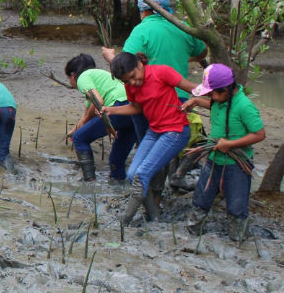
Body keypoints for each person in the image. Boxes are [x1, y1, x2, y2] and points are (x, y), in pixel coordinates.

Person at [104, 52, 197, 225]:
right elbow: (136, 108)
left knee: (142, 174)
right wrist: (112, 110)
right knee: (132, 174)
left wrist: (215, 94)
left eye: (133, 77)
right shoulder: (130, 86)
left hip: (175, 131)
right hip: (154, 131)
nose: (132, 83)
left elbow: (192, 88)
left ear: (140, 64)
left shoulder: (162, 72)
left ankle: (124, 223)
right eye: (126, 81)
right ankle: (154, 217)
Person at [182, 64, 265, 241]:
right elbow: (214, 105)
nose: (210, 97)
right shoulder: (221, 100)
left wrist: (231, 144)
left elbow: (259, 134)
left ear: (226, 90)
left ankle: (238, 240)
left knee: (236, 206)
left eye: (212, 94)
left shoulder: (244, 106)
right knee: (201, 199)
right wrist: (196, 101)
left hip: (236, 165)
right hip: (213, 160)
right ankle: (191, 234)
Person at [65, 54, 137, 183]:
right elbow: (87, 114)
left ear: (73, 75)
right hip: (134, 110)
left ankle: (89, 180)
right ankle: (118, 183)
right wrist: (75, 128)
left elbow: (98, 100)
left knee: (80, 138)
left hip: (117, 106)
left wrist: (78, 132)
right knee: (116, 158)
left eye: (68, 78)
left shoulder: (82, 78)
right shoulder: (98, 75)